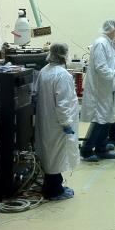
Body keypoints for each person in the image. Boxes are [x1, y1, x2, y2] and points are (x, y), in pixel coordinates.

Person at [79, 19, 115, 161]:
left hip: (109, 88)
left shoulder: (110, 45)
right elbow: (101, 68)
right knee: (100, 120)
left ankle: (101, 148)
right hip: (100, 89)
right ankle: (86, 150)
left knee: (107, 118)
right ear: (112, 30)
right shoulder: (100, 44)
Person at [34, 43, 80, 201]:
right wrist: (67, 123)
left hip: (46, 120)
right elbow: (63, 103)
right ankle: (54, 191)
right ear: (64, 55)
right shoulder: (62, 75)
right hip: (58, 123)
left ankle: (54, 185)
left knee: (50, 155)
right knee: (56, 156)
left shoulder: (44, 71)